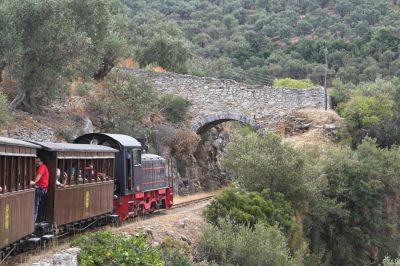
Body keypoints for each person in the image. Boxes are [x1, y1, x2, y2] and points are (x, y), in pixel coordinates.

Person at [33, 157, 49, 222]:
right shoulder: (41, 167)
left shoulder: (42, 167)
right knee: (36, 204)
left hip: (41, 189)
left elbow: (39, 175)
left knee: (35, 204)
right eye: (36, 161)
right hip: (41, 189)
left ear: (42, 162)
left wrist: (34, 182)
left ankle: (33, 220)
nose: (36, 163)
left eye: (38, 161)